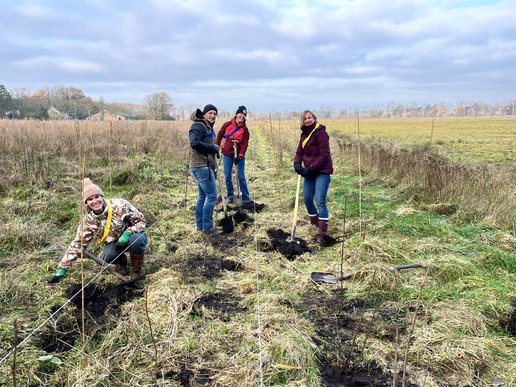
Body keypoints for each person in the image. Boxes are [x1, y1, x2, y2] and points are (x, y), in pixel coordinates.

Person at [47, 178, 148, 283]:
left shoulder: (120, 204)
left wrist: (128, 232)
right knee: (108, 256)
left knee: (138, 241)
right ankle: (122, 264)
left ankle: (136, 272)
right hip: (114, 242)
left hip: (132, 236)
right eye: (90, 199)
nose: (95, 201)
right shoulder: (88, 221)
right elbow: (78, 244)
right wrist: (62, 269)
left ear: (102, 196)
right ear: (86, 203)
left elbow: (141, 221)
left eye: (97, 197)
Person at [293, 110, 333, 244]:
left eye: (309, 117)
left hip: (322, 171)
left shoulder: (321, 133)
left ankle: (322, 232)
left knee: (320, 201)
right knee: (308, 199)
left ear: (314, 118)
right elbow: (300, 151)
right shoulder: (304, 135)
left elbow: (324, 155)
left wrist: (310, 168)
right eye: (305, 118)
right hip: (309, 171)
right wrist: (297, 163)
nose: (307, 120)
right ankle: (315, 222)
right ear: (302, 121)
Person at [188, 104, 222, 235]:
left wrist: (214, 150)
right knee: (212, 196)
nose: (213, 116)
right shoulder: (199, 126)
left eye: (215, 114)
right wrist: (212, 148)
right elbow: (194, 143)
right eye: (210, 113)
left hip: (204, 166)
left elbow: (206, 144)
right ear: (204, 114)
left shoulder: (207, 127)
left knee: (202, 196)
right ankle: (207, 228)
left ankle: (200, 226)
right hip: (201, 166)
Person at [215, 105, 251, 207]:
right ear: (236, 114)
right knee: (227, 176)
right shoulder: (227, 125)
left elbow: (244, 144)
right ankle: (230, 196)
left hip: (239, 157)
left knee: (241, 176)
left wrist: (240, 156)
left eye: (244, 115)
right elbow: (219, 135)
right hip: (227, 155)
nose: (242, 116)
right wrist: (216, 147)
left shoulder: (245, 130)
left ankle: (246, 198)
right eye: (241, 114)